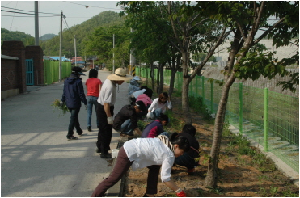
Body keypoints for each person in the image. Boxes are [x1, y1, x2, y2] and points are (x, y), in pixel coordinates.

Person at [91, 135, 189, 197]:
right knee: (114, 178)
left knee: (155, 167)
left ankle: (149, 194)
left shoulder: (165, 140)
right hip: (128, 153)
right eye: (182, 151)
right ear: (176, 146)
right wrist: (178, 190)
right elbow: (165, 178)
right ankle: (96, 195)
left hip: (130, 146)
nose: (181, 154)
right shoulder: (169, 155)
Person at [96, 68, 132, 158]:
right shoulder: (110, 86)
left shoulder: (110, 81)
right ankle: (104, 152)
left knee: (102, 128)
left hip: (102, 106)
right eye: (122, 80)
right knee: (106, 131)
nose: (123, 81)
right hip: (104, 108)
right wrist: (109, 117)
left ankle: (100, 146)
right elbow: (106, 104)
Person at [61, 66, 87, 141]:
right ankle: (69, 134)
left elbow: (64, 92)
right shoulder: (78, 82)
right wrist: (85, 102)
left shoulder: (66, 81)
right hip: (76, 102)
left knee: (74, 117)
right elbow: (81, 93)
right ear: (78, 74)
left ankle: (79, 131)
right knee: (73, 118)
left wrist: (62, 100)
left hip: (68, 102)